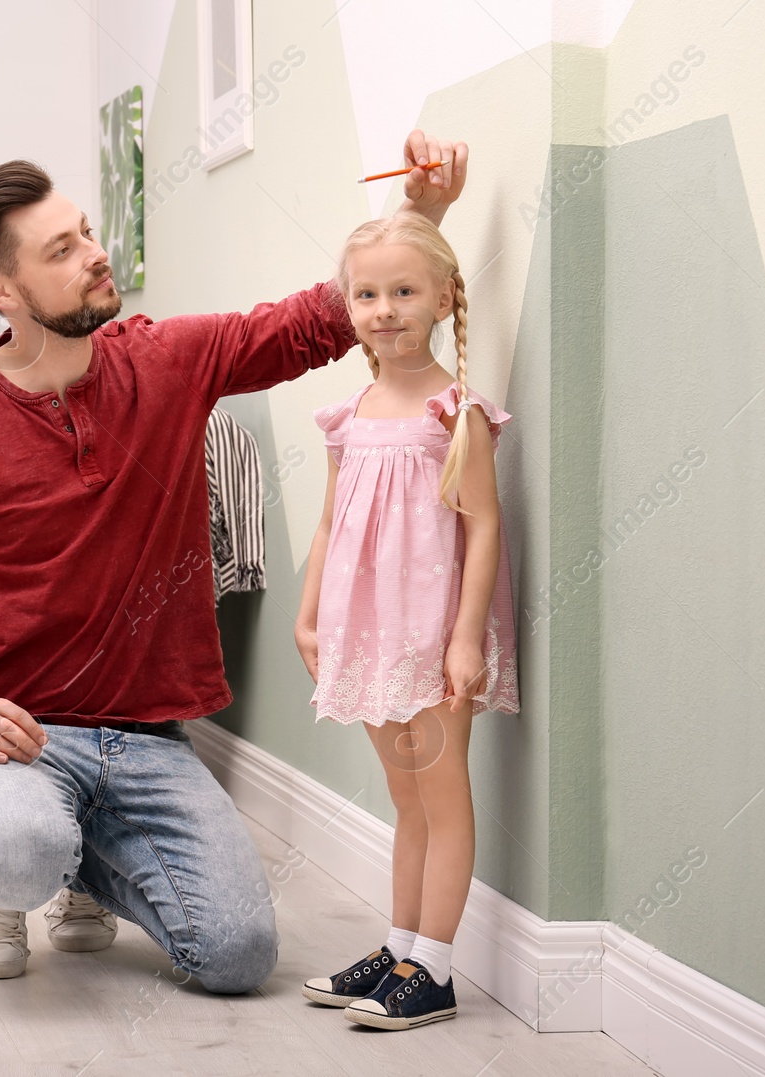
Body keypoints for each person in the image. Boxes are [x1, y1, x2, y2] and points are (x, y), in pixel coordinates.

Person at [0, 133, 469, 992]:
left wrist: (422, 212)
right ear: (2, 292)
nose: (96, 255)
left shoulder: (165, 360)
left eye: (87, 233)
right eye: (61, 250)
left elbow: (314, 322)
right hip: (19, 738)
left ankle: (82, 863)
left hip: (149, 743)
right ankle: (13, 879)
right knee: (22, 850)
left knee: (239, 957)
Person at [294, 211, 519, 1029]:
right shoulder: (347, 415)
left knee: (441, 788)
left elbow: (484, 524)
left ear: (443, 300)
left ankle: (439, 965)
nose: (383, 307)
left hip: (429, 632)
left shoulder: (457, 413)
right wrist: (311, 613)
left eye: (402, 290)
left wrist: (465, 637)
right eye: (366, 293)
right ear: (347, 306)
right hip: (365, 632)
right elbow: (328, 524)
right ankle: (400, 947)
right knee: (406, 796)